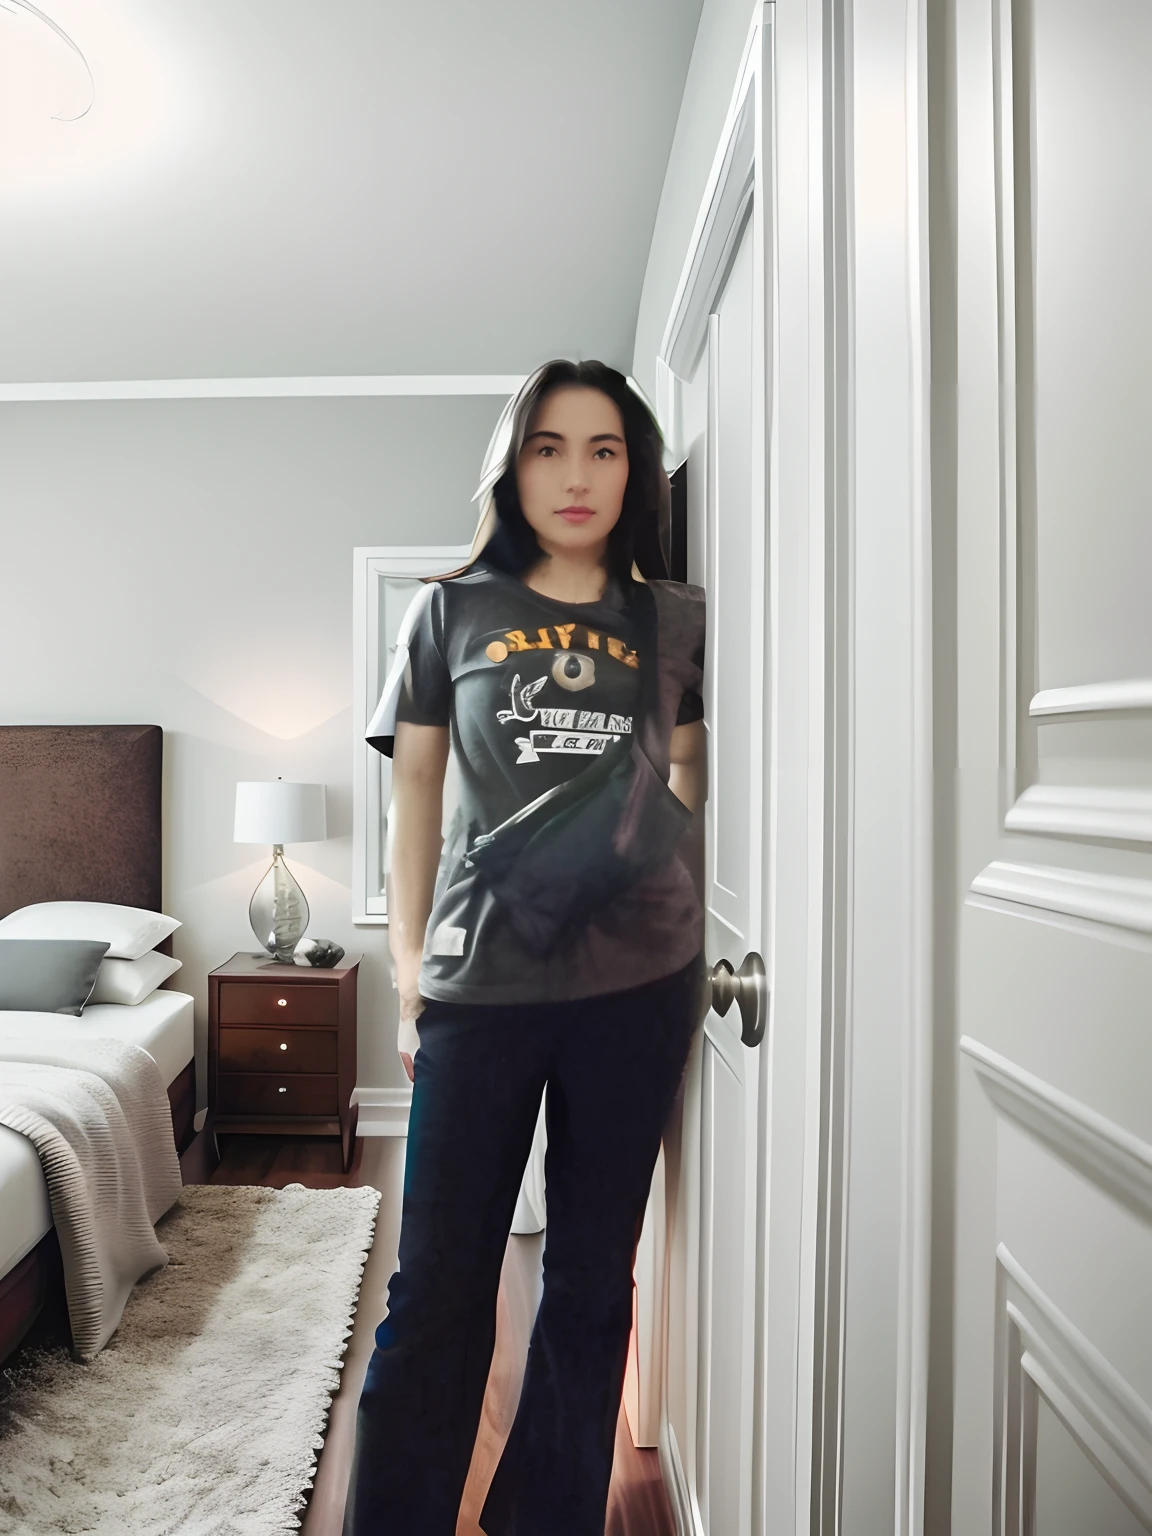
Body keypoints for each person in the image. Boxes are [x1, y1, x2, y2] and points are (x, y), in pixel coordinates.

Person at [343, 359, 707, 1536]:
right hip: (478, 987)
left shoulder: (676, 618)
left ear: (636, 470)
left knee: (594, 1283)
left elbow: (693, 776)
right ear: (513, 465)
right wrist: (409, 980)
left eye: (605, 448)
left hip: (639, 990)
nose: (578, 473)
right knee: (437, 1285)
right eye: (551, 445)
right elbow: (414, 807)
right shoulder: (448, 611)